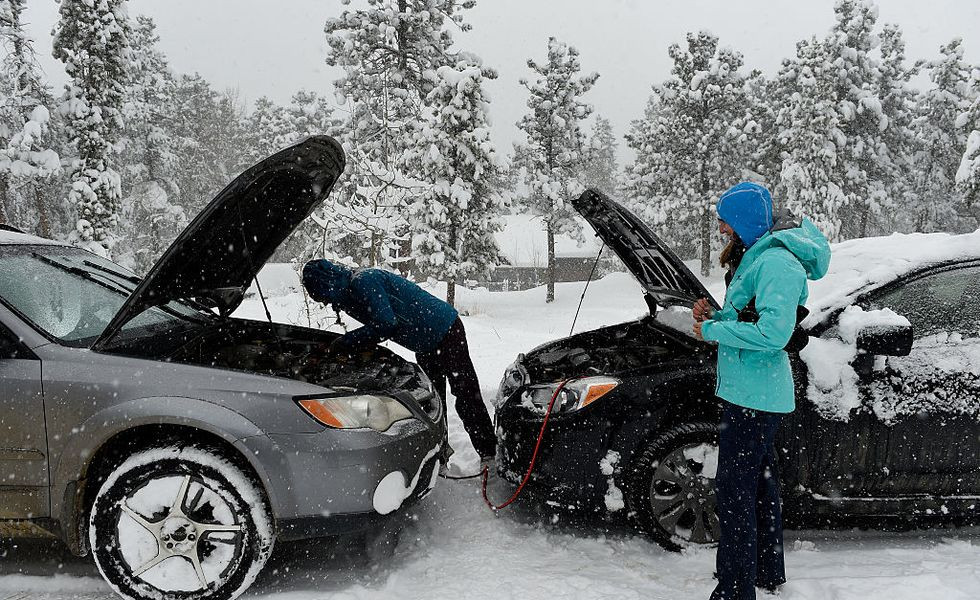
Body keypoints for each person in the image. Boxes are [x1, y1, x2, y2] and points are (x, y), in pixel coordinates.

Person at [692, 182, 830, 600]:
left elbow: (773, 334)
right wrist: (716, 314)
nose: (720, 228)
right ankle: (766, 572)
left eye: (725, 220)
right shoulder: (761, 257)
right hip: (752, 393)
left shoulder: (775, 263)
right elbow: (752, 316)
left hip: (756, 396)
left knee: (734, 494)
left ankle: (735, 591)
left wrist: (714, 330)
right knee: (760, 486)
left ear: (745, 222)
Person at [302, 259, 496, 468]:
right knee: (433, 401)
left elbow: (386, 324)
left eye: (321, 295)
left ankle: (489, 454)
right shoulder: (348, 294)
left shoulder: (364, 282)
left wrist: (345, 342)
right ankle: (439, 458)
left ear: (328, 283)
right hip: (424, 342)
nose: (324, 303)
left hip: (444, 328)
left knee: (465, 392)